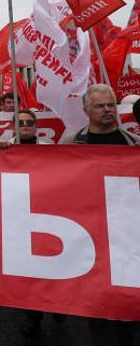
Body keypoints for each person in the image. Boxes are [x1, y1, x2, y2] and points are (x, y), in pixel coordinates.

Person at [60, 84, 138, 345]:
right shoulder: (71, 142)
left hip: (126, 236)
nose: (107, 110)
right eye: (100, 106)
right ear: (86, 110)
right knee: (99, 306)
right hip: (89, 237)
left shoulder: (134, 144)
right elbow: (50, 179)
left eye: (111, 105)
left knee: (128, 304)